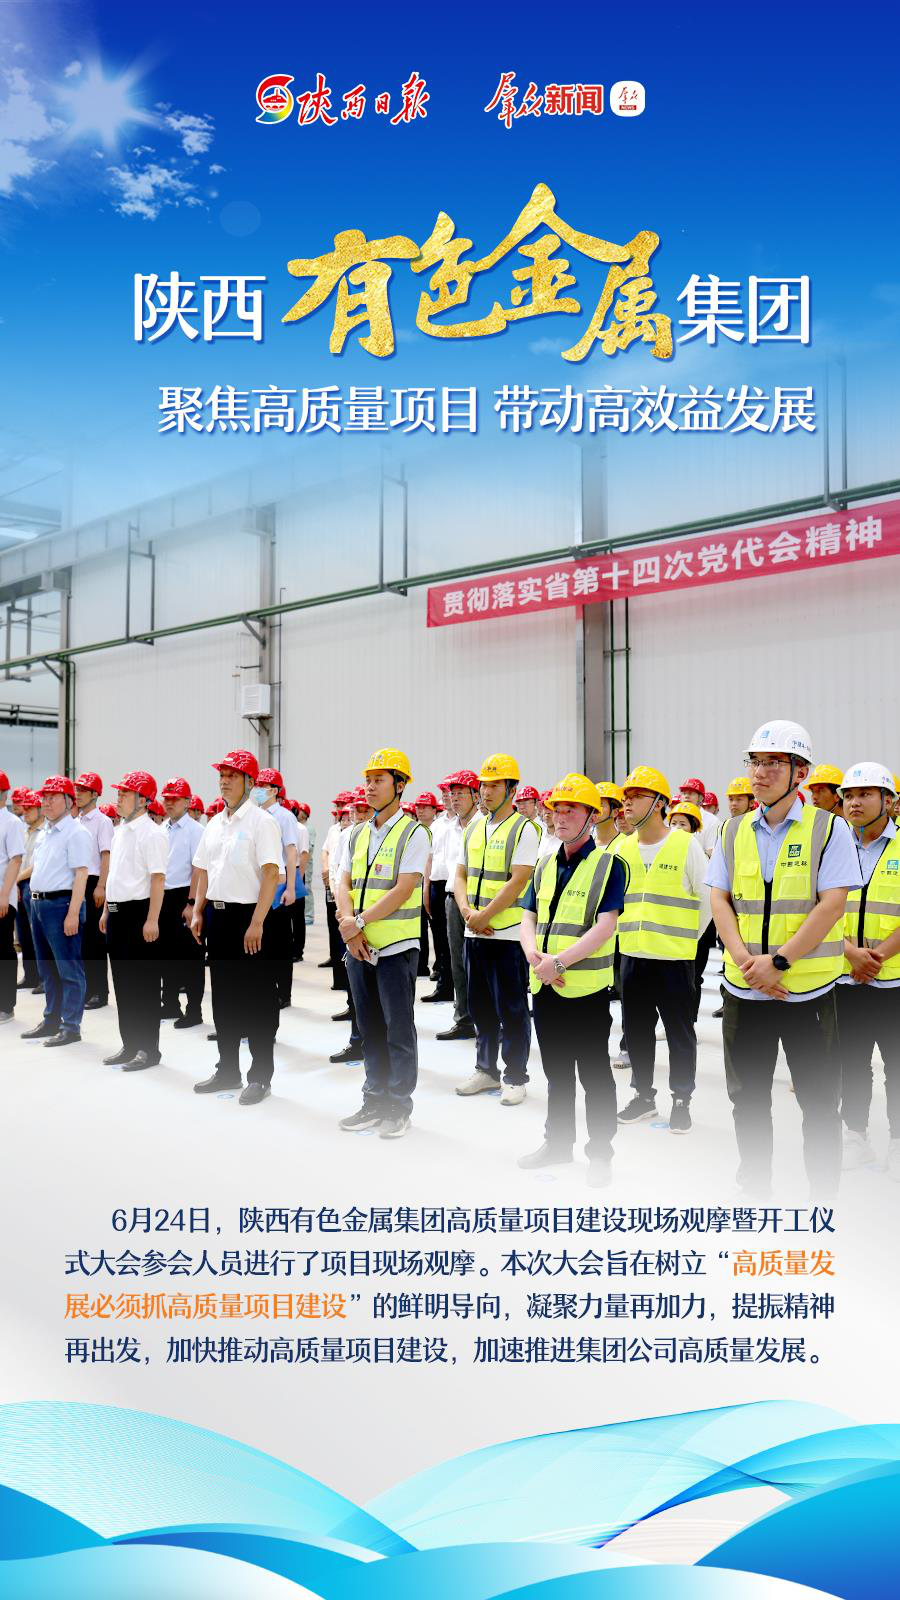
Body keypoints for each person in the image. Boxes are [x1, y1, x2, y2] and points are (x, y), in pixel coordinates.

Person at [708, 720, 860, 1199]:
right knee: (747, 1098)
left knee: (819, 1102)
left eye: (774, 762)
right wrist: (745, 962)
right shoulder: (733, 830)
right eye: (755, 761)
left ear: (801, 772)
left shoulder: (829, 829)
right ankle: (755, 1188)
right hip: (744, 991)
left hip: (806, 994)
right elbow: (719, 900)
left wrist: (778, 963)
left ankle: (823, 1198)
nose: (760, 772)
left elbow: (832, 904)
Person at [519, 774, 628, 1186]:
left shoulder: (609, 865)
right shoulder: (545, 864)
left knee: (594, 1074)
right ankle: (558, 1144)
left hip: (584, 991)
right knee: (557, 1072)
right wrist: (534, 956)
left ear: (591, 816)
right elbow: (529, 916)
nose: (560, 817)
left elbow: (605, 926)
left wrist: (559, 963)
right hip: (545, 985)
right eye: (557, 810)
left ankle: (600, 1154)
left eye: (571, 810)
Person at [337, 748, 429, 1139]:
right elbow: (341, 881)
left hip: (395, 948)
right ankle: (373, 1099)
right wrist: (349, 928)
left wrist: (358, 922)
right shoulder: (355, 833)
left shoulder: (414, 833)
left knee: (398, 1030)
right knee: (369, 1027)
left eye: (379, 780)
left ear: (400, 785)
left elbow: (404, 888)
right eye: (368, 780)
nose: (370, 787)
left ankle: (398, 1105)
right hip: (358, 947)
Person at [616, 767, 711, 1133]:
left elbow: (707, 902)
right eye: (625, 797)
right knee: (636, 1031)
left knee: (679, 1033)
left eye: (635, 797)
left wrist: (684, 940)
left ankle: (681, 1100)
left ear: (658, 804)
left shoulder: (685, 845)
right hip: (633, 957)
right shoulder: (623, 848)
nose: (627, 804)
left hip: (674, 960)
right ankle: (643, 1097)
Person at [191, 749, 282, 1105]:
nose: (224, 781)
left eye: (232, 775)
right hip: (218, 918)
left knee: (257, 999)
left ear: (249, 782)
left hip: (250, 919)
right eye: (222, 775)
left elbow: (271, 874)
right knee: (224, 997)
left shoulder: (262, 822)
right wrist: (198, 910)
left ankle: (260, 1076)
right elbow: (204, 870)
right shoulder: (215, 823)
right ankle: (227, 1068)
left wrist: (258, 921)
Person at [454, 752, 538, 1105]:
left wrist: (485, 915)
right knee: (480, 1006)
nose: (486, 792)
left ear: (511, 789)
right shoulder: (474, 827)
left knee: (512, 1008)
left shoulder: (525, 829)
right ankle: (486, 1069)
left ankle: (515, 1075)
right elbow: (460, 874)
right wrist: (467, 912)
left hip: (507, 935)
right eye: (483, 785)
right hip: (474, 932)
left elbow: (519, 881)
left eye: (494, 785)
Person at [835, 764, 900, 1178]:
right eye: (849, 795)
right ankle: (855, 1137)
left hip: (894, 979)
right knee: (851, 1062)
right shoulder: (835, 848)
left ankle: (897, 1142)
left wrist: (875, 958)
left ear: (889, 801)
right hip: (844, 977)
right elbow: (818, 908)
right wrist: (850, 955)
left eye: (865, 794)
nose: (854, 802)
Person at [100, 770, 168, 1070]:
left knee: (144, 985)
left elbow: (157, 879)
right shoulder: (120, 831)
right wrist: (107, 910)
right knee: (123, 984)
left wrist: (152, 919)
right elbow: (115, 875)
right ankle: (129, 1044)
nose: (118, 798)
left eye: (124, 794)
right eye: (119, 793)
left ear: (142, 800)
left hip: (139, 915)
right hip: (117, 914)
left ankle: (148, 1050)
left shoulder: (153, 833)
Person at [22, 775, 90, 1046]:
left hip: (61, 906)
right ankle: (51, 1019)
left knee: (68, 969)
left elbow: (81, 874)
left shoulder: (76, 833)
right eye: (45, 797)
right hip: (38, 904)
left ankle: (71, 1027)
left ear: (69, 801)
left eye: (53, 797)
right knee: (47, 968)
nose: (46, 802)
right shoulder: (45, 833)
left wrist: (73, 913)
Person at [435, 771, 478, 1043]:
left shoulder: (484, 825)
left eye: (461, 793)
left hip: (477, 902)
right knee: (457, 963)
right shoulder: (450, 828)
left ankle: (489, 1020)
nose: (455, 798)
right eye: (452, 793)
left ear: (475, 795)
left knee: (482, 964)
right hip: (452, 899)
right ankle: (463, 1019)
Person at [159, 777, 205, 1028]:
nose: (169, 803)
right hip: (163, 897)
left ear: (187, 802)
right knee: (166, 955)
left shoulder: (195, 831)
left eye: (175, 799)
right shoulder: (161, 829)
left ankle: (194, 1011)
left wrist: (191, 903)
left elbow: (199, 869)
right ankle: (170, 1004)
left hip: (185, 897)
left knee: (190, 958)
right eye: (166, 798)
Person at [329, 787, 370, 1066]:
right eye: (356, 809)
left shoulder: (383, 836)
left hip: (373, 919)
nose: (360, 814)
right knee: (356, 987)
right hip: (348, 917)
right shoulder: (347, 836)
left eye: (365, 809)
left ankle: (379, 1044)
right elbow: (338, 875)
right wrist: (343, 911)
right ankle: (357, 1041)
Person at [252, 768, 299, 1011]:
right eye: (257, 785)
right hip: (260, 886)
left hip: (279, 886)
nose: (258, 789)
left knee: (280, 944)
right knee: (264, 941)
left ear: (275, 790)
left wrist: (290, 887)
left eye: (263, 786)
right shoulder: (255, 816)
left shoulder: (284, 817)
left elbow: (291, 853)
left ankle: (284, 993)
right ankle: (266, 988)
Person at [73, 771, 113, 1010]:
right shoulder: (75, 822)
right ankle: (86, 990)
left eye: (83, 790)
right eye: (77, 789)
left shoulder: (102, 821)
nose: (78, 794)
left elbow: (106, 855)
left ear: (95, 794)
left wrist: (101, 886)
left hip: (93, 882)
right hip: (77, 882)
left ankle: (100, 992)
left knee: (94, 942)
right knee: (79, 942)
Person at [422, 785, 454, 1003]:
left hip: (454, 887)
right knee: (440, 940)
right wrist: (426, 887)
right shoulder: (437, 825)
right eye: (444, 794)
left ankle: (459, 987)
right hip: (436, 885)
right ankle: (444, 986)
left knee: (455, 941)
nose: (448, 797)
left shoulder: (467, 824)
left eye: (451, 793)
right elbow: (430, 858)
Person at [0, 792, 26, 1021]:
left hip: (2, 897)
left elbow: (16, 860)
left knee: (3, 950)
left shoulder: (11, 822)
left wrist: (4, 895)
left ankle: (6, 1005)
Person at [14, 790, 43, 991]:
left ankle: (43, 977)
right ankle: (30, 975)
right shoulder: (25, 832)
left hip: (33, 884)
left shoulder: (44, 833)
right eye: (24, 808)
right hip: (20, 885)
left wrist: (16, 880)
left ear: (40, 809)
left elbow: (36, 865)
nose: (25, 811)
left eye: (29, 808)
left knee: (37, 934)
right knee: (23, 933)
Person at [677, 777, 720, 857]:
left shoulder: (712, 821)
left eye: (691, 793)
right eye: (684, 793)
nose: (686, 796)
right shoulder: (675, 818)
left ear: (701, 798)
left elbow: (711, 853)